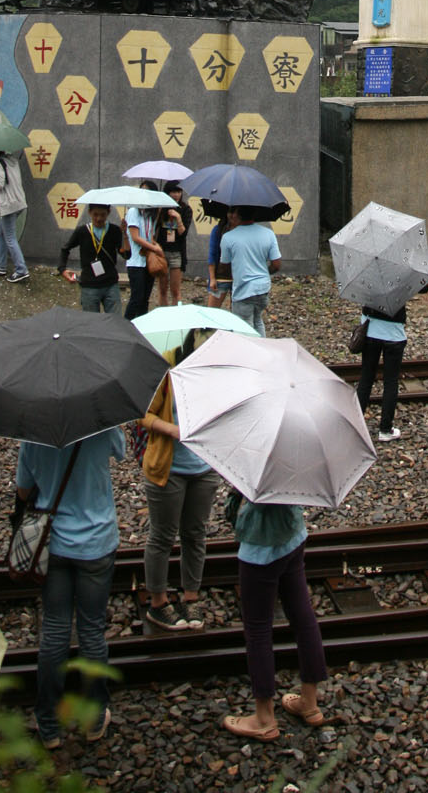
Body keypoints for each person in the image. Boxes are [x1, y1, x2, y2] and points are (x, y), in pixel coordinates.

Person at [15, 425, 125, 750]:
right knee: (92, 630)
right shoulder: (103, 419)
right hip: (98, 539)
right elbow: (119, 454)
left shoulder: (33, 429)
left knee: (54, 630)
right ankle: (93, 720)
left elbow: (23, 491)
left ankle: (48, 726)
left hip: (54, 544)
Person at [223, 491, 327, 742]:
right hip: (293, 532)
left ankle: (264, 718)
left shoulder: (254, 452)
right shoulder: (297, 450)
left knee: (258, 628)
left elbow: (242, 493)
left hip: (260, 546)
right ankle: (310, 703)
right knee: (303, 617)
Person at [141, 330, 219, 632]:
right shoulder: (167, 366)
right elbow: (143, 414)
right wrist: (171, 430)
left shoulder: (217, 372)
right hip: (168, 466)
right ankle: (158, 602)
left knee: (195, 534)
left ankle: (191, 596)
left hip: (204, 468)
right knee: (162, 536)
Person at [355, 285, 428, 443]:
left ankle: (355, 425)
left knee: (366, 379)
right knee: (390, 382)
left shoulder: (369, 265)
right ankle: (385, 429)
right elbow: (423, 287)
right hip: (393, 332)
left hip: (369, 328)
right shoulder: (402, 265)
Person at [220, 208, 282, 336]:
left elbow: (224, 267)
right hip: (263, 288)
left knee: (244, 326)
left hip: (243, 290)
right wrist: (263, 272)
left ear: (237, 215)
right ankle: (263, 351)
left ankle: (250, 354)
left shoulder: (228, 237)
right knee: (258, 321)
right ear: (255, 213)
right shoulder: (268, 233)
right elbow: (276, 265)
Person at [58, 202, 123, 314]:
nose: (99, 218)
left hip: (111, 284)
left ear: (108, 213)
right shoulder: (82, 231)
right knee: (91, 324)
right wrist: (62, 269)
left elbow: (127, 255)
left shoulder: (115, 230)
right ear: (89, 213)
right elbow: (65, 249)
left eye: (102, 215)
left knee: (115, 322)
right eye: (95, 214)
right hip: (89, 285)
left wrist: (125, 235)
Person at [124, 183, 166, 321]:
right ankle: (126, 325)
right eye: (141, 191)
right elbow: (135, 237)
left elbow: (150, 236)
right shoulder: (133, 211)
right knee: (137, 297)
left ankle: (142, 328)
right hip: (136, 262)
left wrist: (154, 245)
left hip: (148, 261)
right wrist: (155, 249)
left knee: (145, 298)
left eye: (147, 192)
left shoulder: (150, 214)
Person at [0, 148, 29, 283]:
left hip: (9, 205)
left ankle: (21, 270)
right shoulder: (12, 160)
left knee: (10, 237)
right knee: (1, 232)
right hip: (19, 202)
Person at [159, 181, 193, 306]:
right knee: (162, 288)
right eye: (173, 192)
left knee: (175, 289)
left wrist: (178, 218)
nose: (176, 195)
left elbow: (183, 234)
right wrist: (160, 211)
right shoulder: (161, 208)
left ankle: (176, 317)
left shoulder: (185, 209)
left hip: (177, 252)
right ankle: (163, 313)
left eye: (178, 192)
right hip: (161, 251)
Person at [206, 205, 237, 309]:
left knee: (238, 313)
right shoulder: (218, 230)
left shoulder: (244, 231)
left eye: (235, 212)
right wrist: (212, 278)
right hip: (221, 276)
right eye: (230, 212)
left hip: (239, 276)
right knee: (212, 311)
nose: (232, 216)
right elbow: (212, 254)